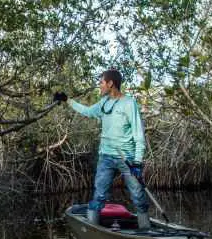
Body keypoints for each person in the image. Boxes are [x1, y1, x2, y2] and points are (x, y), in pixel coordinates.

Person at [54, 69, 150, 229]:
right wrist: (67, 100)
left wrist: (138, 162)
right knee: (99, 195)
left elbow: (138, 134)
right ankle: (92, 229)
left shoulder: (129, 103)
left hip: (128, 158)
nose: (100, 86)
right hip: (106, 156)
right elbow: (87, 111)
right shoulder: (104, 103)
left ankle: (146, 230)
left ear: (110, 84)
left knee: (138, 195)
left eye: (101, 83)